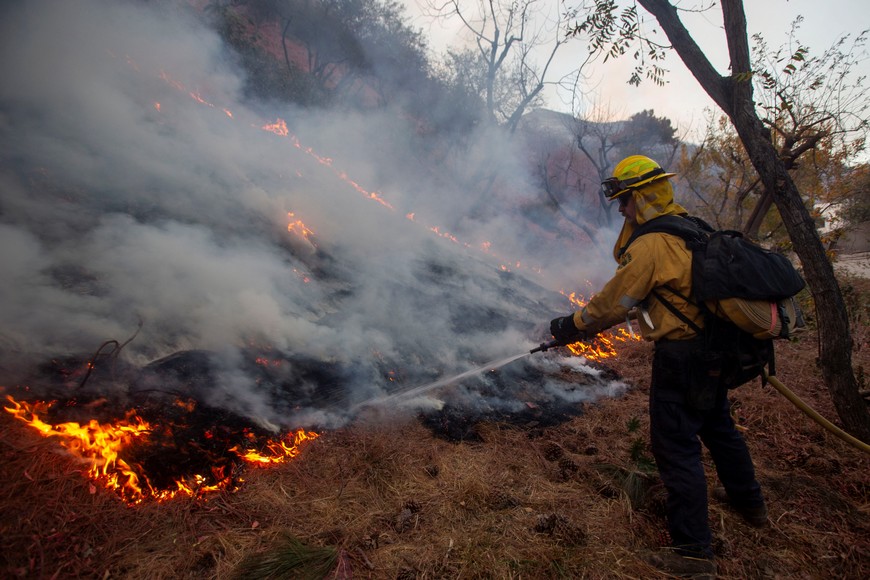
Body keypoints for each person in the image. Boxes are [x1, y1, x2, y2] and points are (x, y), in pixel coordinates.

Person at [548, 155, 767, 577]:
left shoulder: (652, 244)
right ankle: (748, 502)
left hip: (682, 357)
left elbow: (613, 304)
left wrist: (569, 327)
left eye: (625, 201)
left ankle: (693, 554)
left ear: (643, 196)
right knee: (719, 427)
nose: (621, 210)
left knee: (676, 447)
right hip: (717, 351)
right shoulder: (694, 230)